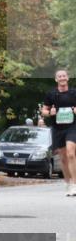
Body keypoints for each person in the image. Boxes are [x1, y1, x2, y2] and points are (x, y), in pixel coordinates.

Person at [41, 68, 76, 197]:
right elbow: (44, 111)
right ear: (56, 79)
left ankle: (75, 184)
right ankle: (68, 183)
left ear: (67, 78)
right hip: (58, 128)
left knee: (71, 153)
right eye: (59, 76)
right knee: (63, 158)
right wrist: (50, 113)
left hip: (72, 126)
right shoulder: (51, 94)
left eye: (64, 76)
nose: (62, 78)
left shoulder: (74, 93)